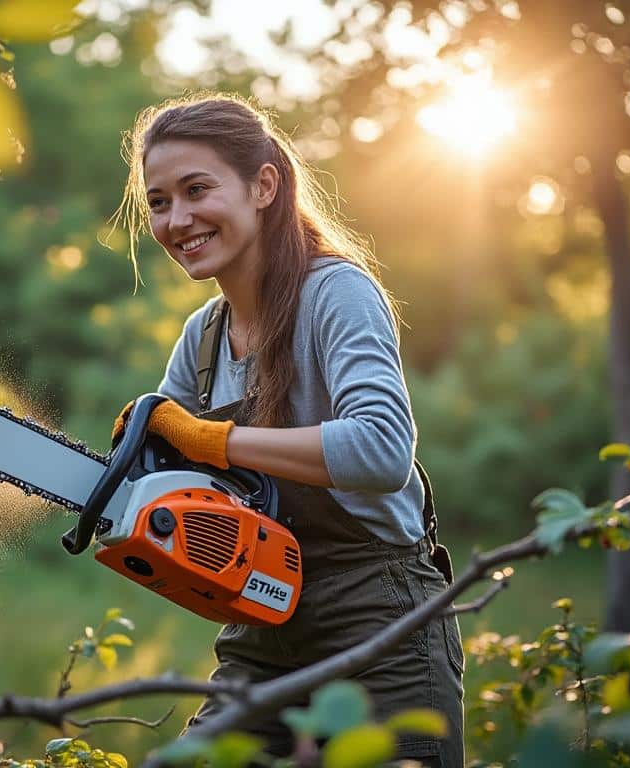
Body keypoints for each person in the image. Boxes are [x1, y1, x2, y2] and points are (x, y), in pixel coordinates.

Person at [111, 93, 464, 767]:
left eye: (196, 190)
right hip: (261, 626)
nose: (177, 219)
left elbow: (382, 448)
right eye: (159, 202)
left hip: (379, 623)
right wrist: (141, 458)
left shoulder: (336, 295)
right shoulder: (203, 337)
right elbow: (183, 485)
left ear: (263, 185)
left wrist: (214, 440)